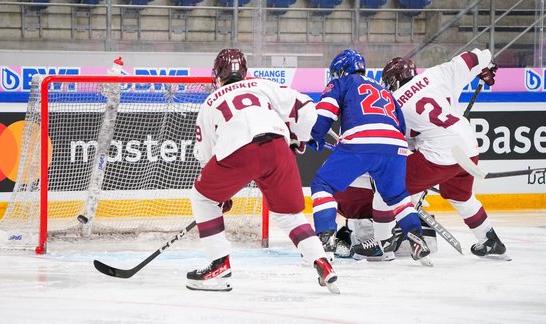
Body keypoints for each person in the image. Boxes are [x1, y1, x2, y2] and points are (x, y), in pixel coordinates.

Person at [187, 48, 339, 294]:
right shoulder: (262, 85)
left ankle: (219, 264)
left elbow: (206, 155)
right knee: (289, 215)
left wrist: (219, 195)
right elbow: (306, 108)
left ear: (217, 74)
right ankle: (322, 261)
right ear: (245, 72)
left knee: (202, 197)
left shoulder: (210, 102)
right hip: (279, 148)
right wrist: (300, 137)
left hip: (238, 150)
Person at [379, 49, 509, 260]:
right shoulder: (436, 74)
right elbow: (477, 55)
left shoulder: (393, 103)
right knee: (460, 195)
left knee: (391, 185)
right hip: (467, 145)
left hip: (439, 153)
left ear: (393, 81)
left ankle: (392, 239)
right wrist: (486, 66)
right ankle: (489, 239)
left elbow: (402, 145)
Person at [307, 49, 432, 266]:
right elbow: (399, 127)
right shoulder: (385, 91)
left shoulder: (341, 83)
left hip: (360, 144)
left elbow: (325, 113)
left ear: (341, 70)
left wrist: (315, 136)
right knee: (398, 197)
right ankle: (417, 239)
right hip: (395, 147)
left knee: (322, 184)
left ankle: (325, 240)